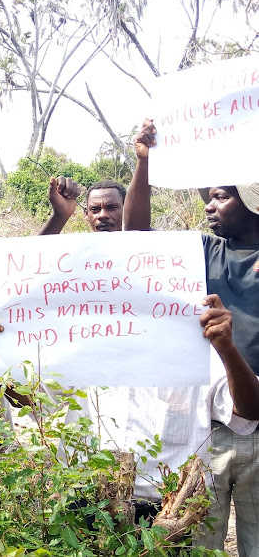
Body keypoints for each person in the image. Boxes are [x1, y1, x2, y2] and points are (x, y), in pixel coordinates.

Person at [125, 118, 259, 555]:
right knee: (198, 542)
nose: (209, 205)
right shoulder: (202, 250)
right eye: (208, 197)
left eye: (221, 195)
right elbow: (137, 239)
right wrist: (144, 163)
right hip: (209, 426)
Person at [42, 178, 126, 233]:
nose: (102, 215)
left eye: (112, 208)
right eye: (95, 209)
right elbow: (35, 257)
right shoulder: (78, 250)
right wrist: (60, 215)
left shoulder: (137, 246)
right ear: (86, 213)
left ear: (126, 211)